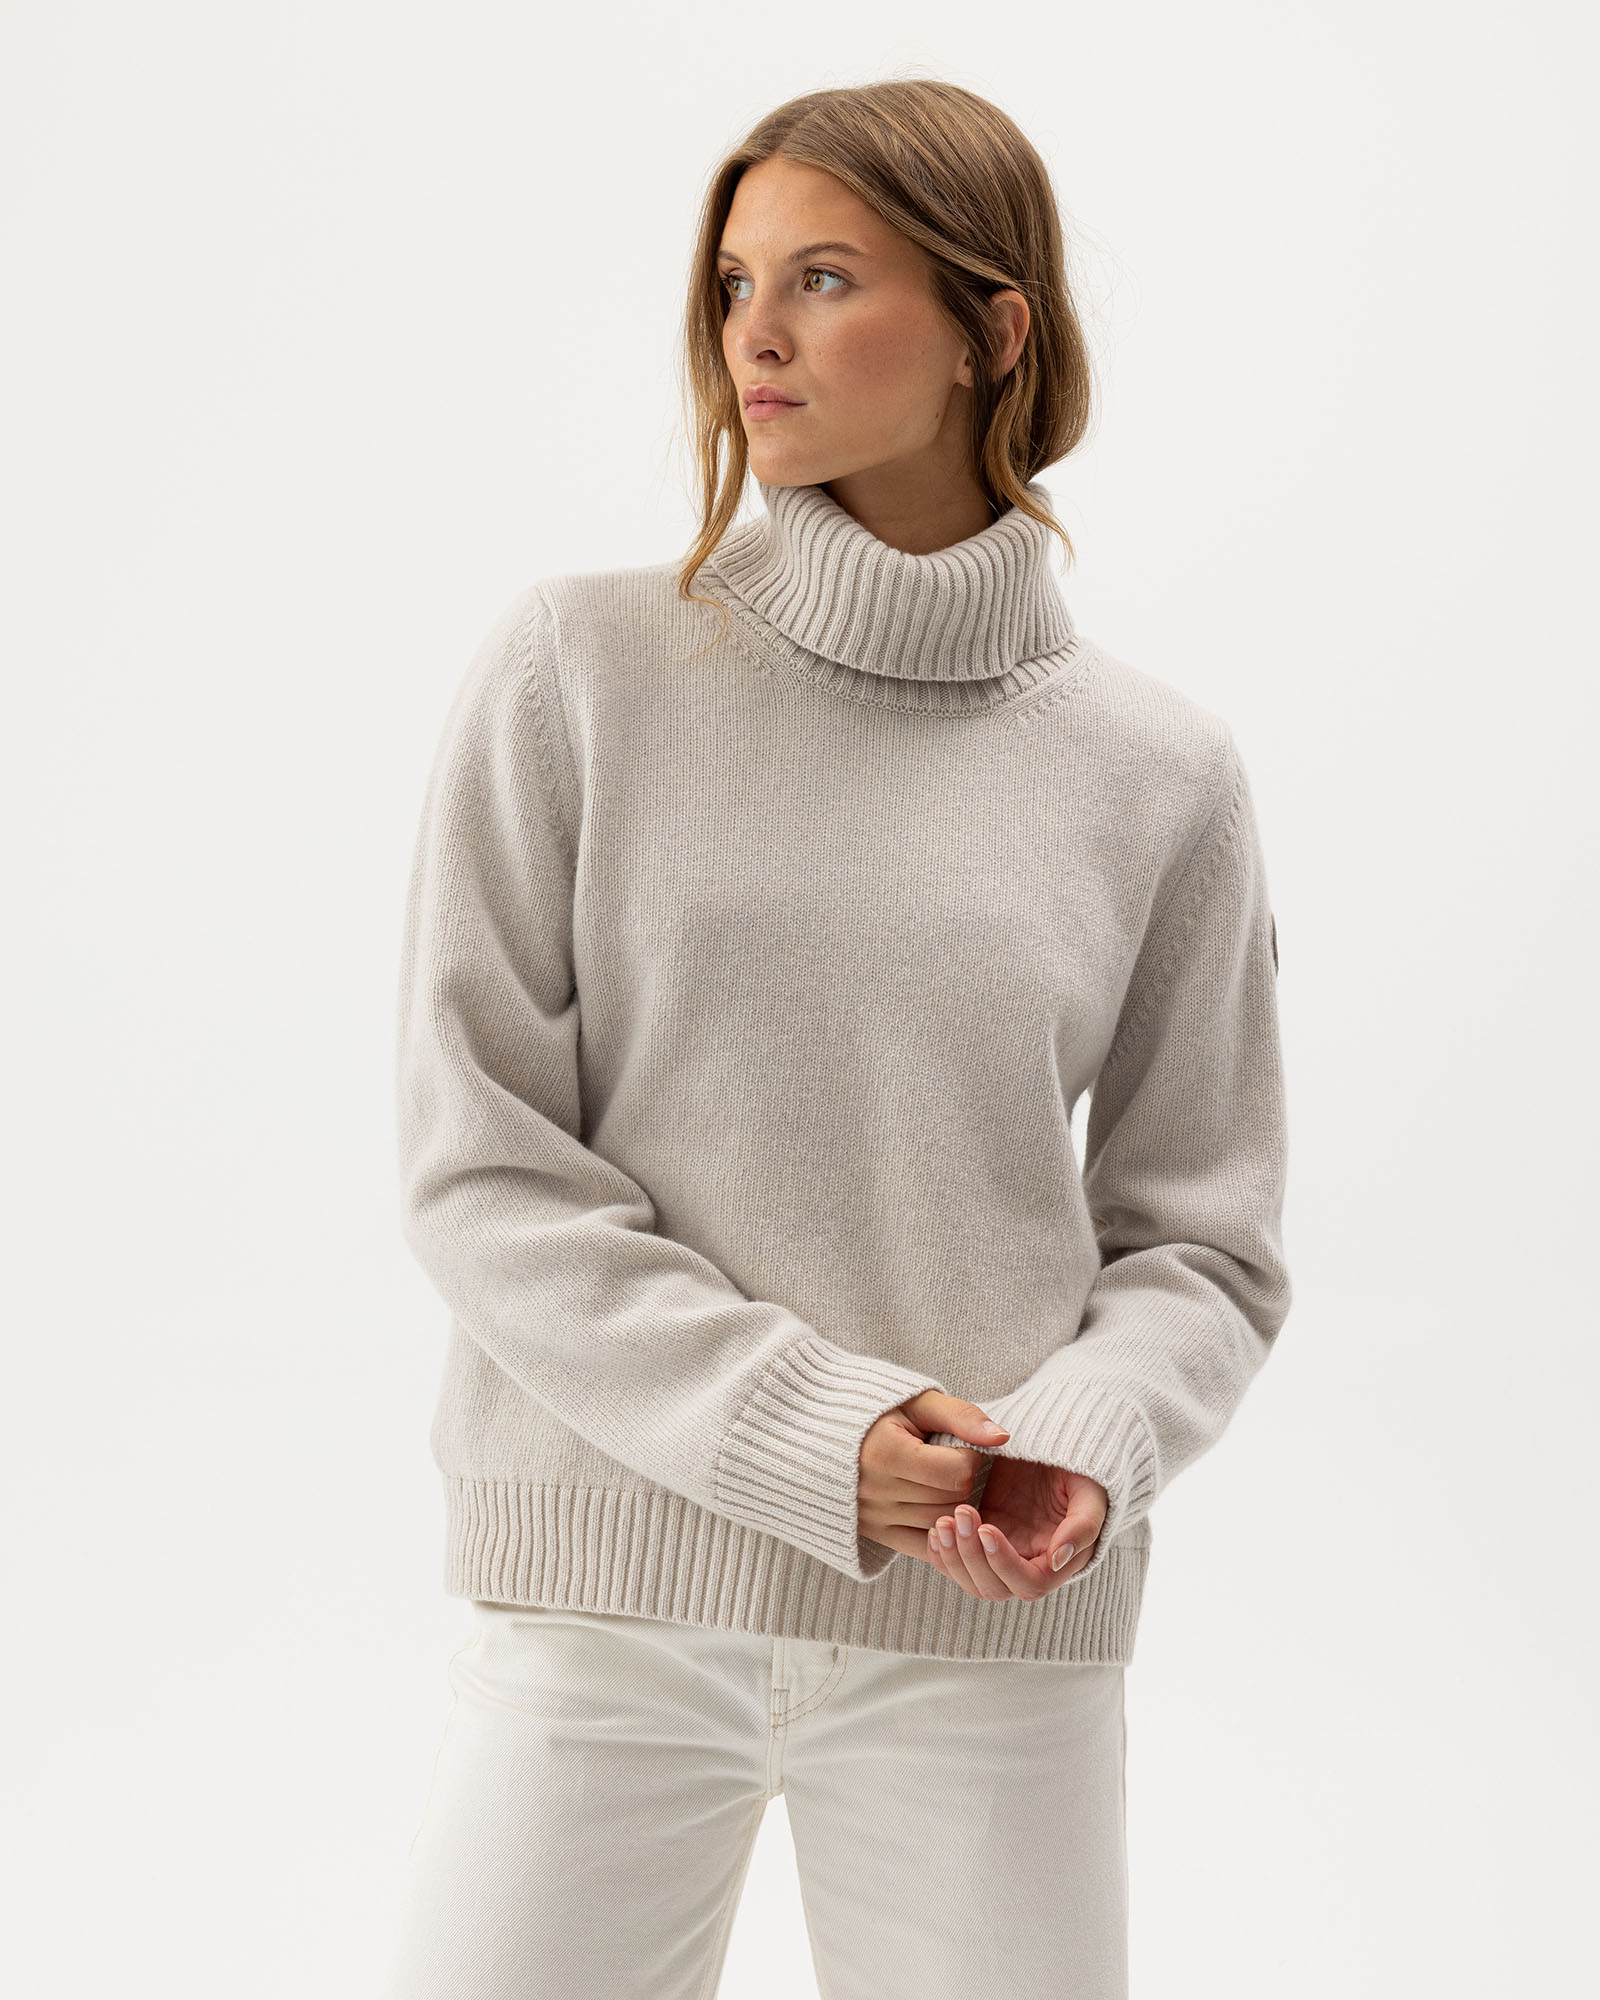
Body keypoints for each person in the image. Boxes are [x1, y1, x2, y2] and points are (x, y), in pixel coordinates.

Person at [383, 76, 1291, 2000]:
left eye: (822, 278)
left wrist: (1082, 1447)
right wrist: (810, 1435)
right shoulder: (579, 671)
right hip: (610, 1596)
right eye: (734, 284)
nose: (756, 337)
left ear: (990, 333)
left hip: (988, 1619)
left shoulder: (1160, 772)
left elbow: (1202, 1244)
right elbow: (480, 1164)